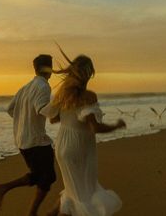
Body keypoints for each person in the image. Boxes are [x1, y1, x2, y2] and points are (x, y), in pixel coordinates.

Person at [40, 53, 126, 216]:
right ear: (88, 74)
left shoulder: (62, 95)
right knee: (84, 195)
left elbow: (53, 119)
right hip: (80, 148)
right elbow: (95, 128)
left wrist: (70, 117)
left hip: (62, 146)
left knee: (73, 192)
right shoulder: (88, 97)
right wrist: (116, 126)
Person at [0, 54, 56, 216]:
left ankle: (4, 188)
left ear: (35, 69)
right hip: (37, 141)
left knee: (40, 176)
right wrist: (61, 107)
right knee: (48, 178)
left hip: (22, 141)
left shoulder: (25, 88)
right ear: (49, 69)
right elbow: (43, 109)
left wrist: (24, 121)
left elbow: (9, 108)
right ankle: (31, 212)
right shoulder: (43, 87)